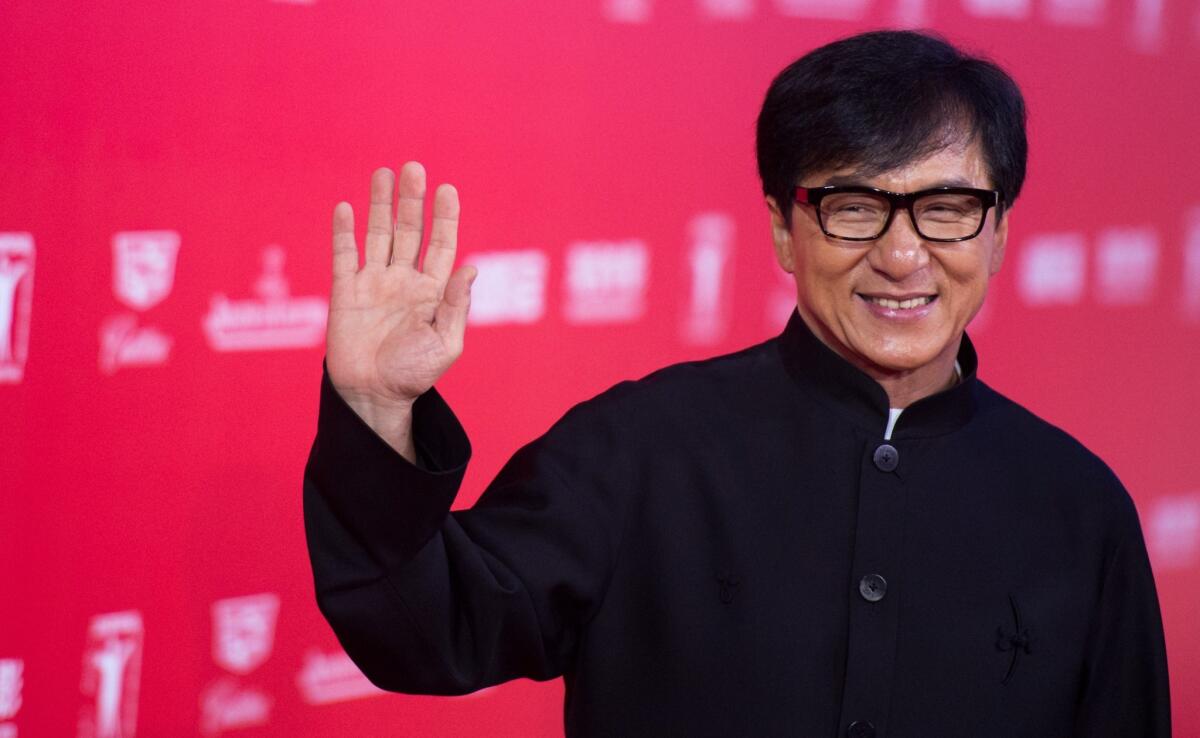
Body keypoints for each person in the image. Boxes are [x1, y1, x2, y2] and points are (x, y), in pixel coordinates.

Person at [303, 30, 1170, 737]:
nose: (903, 255)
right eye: (853, 205)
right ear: (785, 232)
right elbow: (429, 629)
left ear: (999, 233)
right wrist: (377, 407)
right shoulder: (636, 448)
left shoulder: (1080, 509)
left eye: (947, 209)